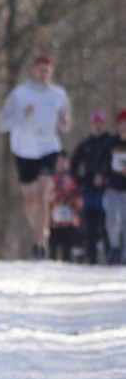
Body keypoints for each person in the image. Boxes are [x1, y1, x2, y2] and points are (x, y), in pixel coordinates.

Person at [0, 53, 72, 259]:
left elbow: (66, 123)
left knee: (42, 195)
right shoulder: (20, 94)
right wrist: (22, 116)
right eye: (40, 69)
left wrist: (65, 123)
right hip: (24, 150)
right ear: (33, 70)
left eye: (46, 70)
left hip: (48, 148)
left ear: (52, 72)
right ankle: (39, 233)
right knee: (29, 199)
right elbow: (1, 123)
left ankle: (39, 243)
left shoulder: (58, 94)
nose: (43, 73)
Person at [71, 110, 113, 264]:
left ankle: (110, 258)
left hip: (108, 190)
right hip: (89, 192)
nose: (98, 126)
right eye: (95, 123)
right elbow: (74, 165)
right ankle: (91, 259)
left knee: (108, 226)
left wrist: (106, 177)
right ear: (90, 125)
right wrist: (82, 181)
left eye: (100, 123)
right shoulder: (85, 144)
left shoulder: (111, 142)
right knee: (90, 227)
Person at [100, 108, 126, 264]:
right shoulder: (111, 142)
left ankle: (124, 258)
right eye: (121, 123)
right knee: (112, 221)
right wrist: (100, 176)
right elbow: (100, 162)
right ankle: (115, 247)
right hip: (113, 188)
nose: (124, 126)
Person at [48, 151, 83, 262]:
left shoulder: (71, 176)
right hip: (54, 216)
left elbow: (76, 192)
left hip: (69, 216)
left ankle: (67, 262)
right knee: (53, 243)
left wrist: (74, 205)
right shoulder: (50, 176)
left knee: (67, 245)